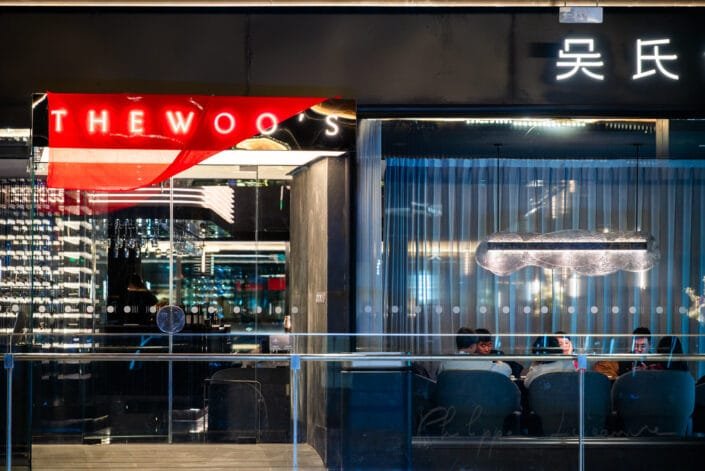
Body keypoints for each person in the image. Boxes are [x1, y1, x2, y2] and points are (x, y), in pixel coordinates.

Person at [439, 327, 512, 377]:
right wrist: (499, 361)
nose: (487, 349)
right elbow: (507, 370)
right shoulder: (484, 363)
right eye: (482, 345)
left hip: (451, 398)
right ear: (473, 345)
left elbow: (439, 376)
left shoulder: (445, 362)